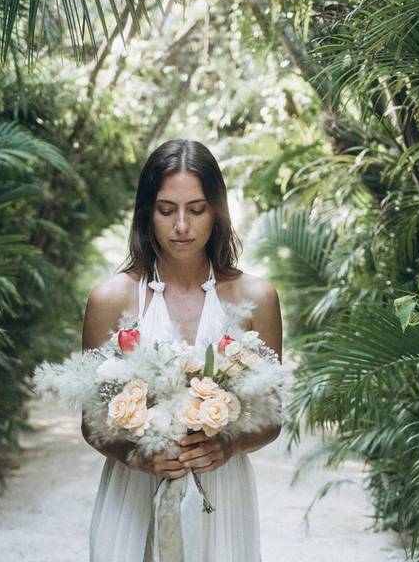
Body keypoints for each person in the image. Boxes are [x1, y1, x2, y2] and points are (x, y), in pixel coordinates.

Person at [81, 139, 283, 561]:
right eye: (166, 209)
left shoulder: (256, 297)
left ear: (217, 211)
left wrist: (228, 446)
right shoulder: (110, 299)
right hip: (134, 491)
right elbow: (91, 423)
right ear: (146, 213)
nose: (181, 227)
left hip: (220, 493)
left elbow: (272, 417)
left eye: (196, 209)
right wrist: (139, 456)